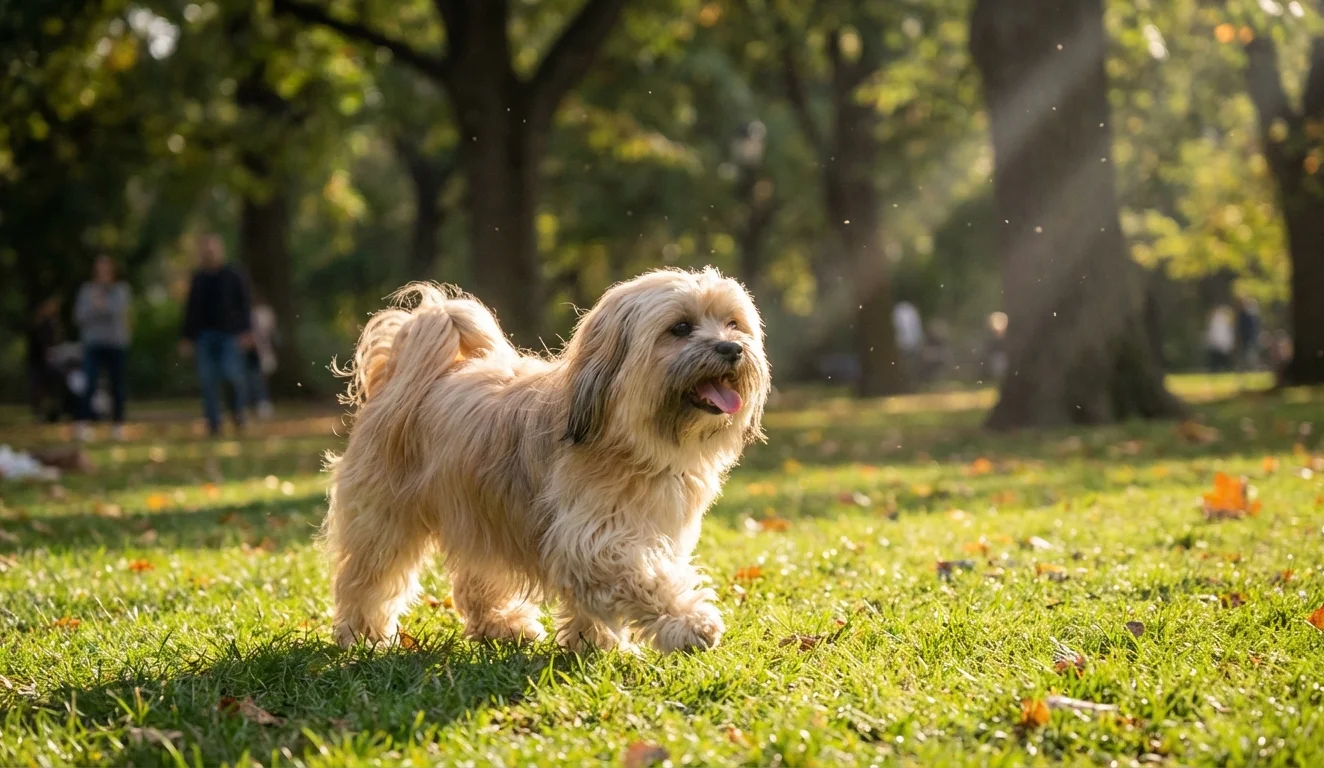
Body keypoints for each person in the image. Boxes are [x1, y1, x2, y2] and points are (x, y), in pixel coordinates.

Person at [180, 234, 253, 436]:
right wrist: (187, 337)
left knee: (232, 375)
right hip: (204, 336)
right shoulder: (198, 278)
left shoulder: (234, 275)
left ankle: (237, 413)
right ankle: (213, 424)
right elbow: (191, 309)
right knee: (207, 380)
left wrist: (246, 331)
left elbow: (245, 304)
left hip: (230, 335)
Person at [73, 255, 132, 441]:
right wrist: (98, 308)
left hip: (116, 343)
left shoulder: (121, 290)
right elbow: (79, 316)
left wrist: (100, 306)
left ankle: (117, 425)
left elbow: (117, 311)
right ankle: (83, 423)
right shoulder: (86, 290)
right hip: (92, 343)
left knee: (117, 385)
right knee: (88, 382)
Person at [26, 297, 66, 424]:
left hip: (50, 363)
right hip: (38, 362)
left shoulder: (54, 324)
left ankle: (53, 413)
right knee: (38, 388)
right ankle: (39, 414)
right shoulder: (38, 324)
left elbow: (57, 342)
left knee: (53, 388)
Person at [246, 298, 278, 420]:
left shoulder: (263, 313)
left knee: (258, 379)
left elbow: (267, 332)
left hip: (260, 351)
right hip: (249, 352)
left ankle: (261, 403)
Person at [1204, 304, 1236, 372]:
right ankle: (1217, 368)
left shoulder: (1226, 320)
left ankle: (1222, 368)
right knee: (1216, 357)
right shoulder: (1217, 320)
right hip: (1218, 342)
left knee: (1222, 357)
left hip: (1222, 342)